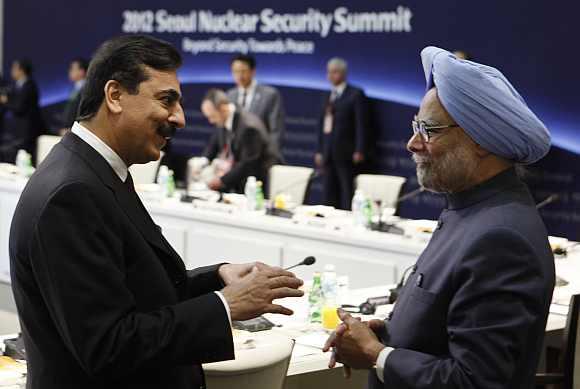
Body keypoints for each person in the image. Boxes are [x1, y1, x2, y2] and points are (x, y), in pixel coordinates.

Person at [9, 35, 303, 389]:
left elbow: (135, 289)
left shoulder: (96, 172)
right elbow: (109, 347)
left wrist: (218, 278)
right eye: (167, 100)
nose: (179, 118)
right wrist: (224, 306)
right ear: (114, 96)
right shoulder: (72, 193)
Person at [323, 46, 555, 388]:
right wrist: (384, 334)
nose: (413, 143)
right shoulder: (469, 210)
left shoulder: (501, 239)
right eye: (416, 126)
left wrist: (378, 356)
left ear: (481, 141)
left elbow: (477, 381)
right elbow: (445, 325)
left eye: (429, 130)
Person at [315, 57, 369, 210]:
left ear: (343, 73)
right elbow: (321, 125)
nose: (331, 76)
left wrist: (359, 149)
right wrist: (319, 149)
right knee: (328, 191)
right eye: (329, 72)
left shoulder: (355, 94)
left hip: (346, 152)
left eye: (335, 72)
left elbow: (361, 124)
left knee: (347, 191)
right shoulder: (327, 96)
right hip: (328, 151)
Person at [200, 88, 278, 193]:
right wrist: (203, 161)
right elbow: (213, 145)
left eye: (212, 117)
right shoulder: (223, 119)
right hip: (240, 179)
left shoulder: (249, 127)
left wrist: (221, 181)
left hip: (257, 185)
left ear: (223, 108)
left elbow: (248, 164)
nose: (211, 121)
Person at [227, 53, 285, 160]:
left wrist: (271, 156)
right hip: (237, 159)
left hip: (261, 157)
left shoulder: (270, 95)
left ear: (253, 71)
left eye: (243, 71)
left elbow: (276, 131)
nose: (239, 76)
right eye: (235, 71)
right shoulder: (230, 95)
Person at [0, 59, 45, 162]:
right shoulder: (16, 85)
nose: (12, 71)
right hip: (18, 130)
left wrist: (5, 101)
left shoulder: (30, 86)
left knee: (25, 157)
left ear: (21, 70)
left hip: (28, 131)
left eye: (14, 68)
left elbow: (20, 107)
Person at [58, 57, 88, 134]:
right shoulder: (74, 88)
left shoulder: (87, 89)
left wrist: (72, 128)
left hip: (76, 130)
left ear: (82, 71)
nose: (70, 71)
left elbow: (82, 111)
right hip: (68, 129)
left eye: (72, 69)